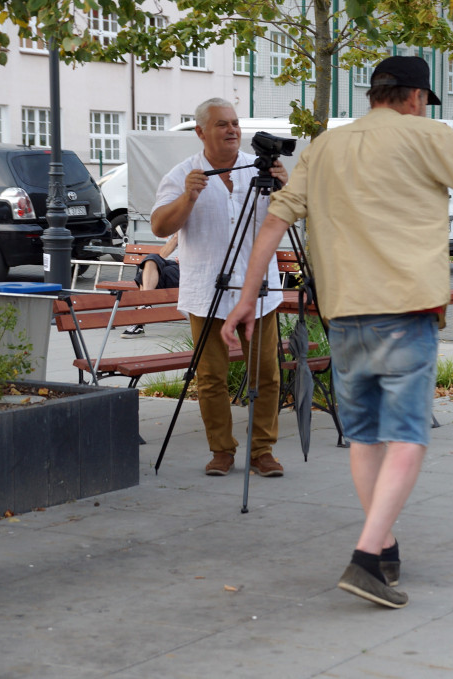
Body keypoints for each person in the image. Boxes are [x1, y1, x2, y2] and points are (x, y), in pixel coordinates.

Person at [220, 56, 453, 608]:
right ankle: (368, 557)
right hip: (406, 308)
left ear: (374, 94)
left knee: (365, 435)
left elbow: (274, 221)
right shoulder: (427, 135)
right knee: (408, 434)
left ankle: (386, 545)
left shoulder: (323, 147)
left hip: (343, 312)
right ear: (415, 97)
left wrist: (247, 298)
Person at [151, 97, 287, 478]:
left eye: (235, 123)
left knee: (266, 374)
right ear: (200, 132)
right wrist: (188, 197)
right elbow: (161, 227)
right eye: (222, 124)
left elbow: (290, 218)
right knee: (210, 377)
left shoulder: (258, 169)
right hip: (206, 292)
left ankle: (263, 451)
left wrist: (284, 189)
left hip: (258, 290)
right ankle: (221, 450)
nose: (232, 130)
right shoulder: (183, 174)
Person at [122, 234, 181, 338]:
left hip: (185, 267)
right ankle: (146, 303)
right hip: (167, 263)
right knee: (151, 259)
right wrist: (176, 237)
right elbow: (163, 254)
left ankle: (139, 321)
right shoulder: (177, 229)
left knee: (143, 276)